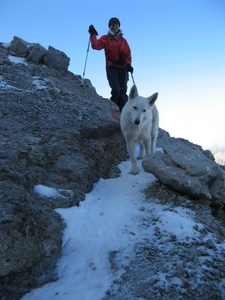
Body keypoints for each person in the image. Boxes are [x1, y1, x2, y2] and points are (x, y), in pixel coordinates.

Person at [88, 17, 133, 112]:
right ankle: (112, 108)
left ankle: (123, 111)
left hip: (123, 67)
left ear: (119, 26)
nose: (114, 27)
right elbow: (96, 45)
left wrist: (129, 64)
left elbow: (128, 53)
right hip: (111, 66)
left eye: (116, 25)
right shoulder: (105, 38)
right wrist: (93, 35)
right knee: (116, 89)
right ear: (109, 27)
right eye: (112, 25)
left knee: (123, 89)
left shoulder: (123, 40)